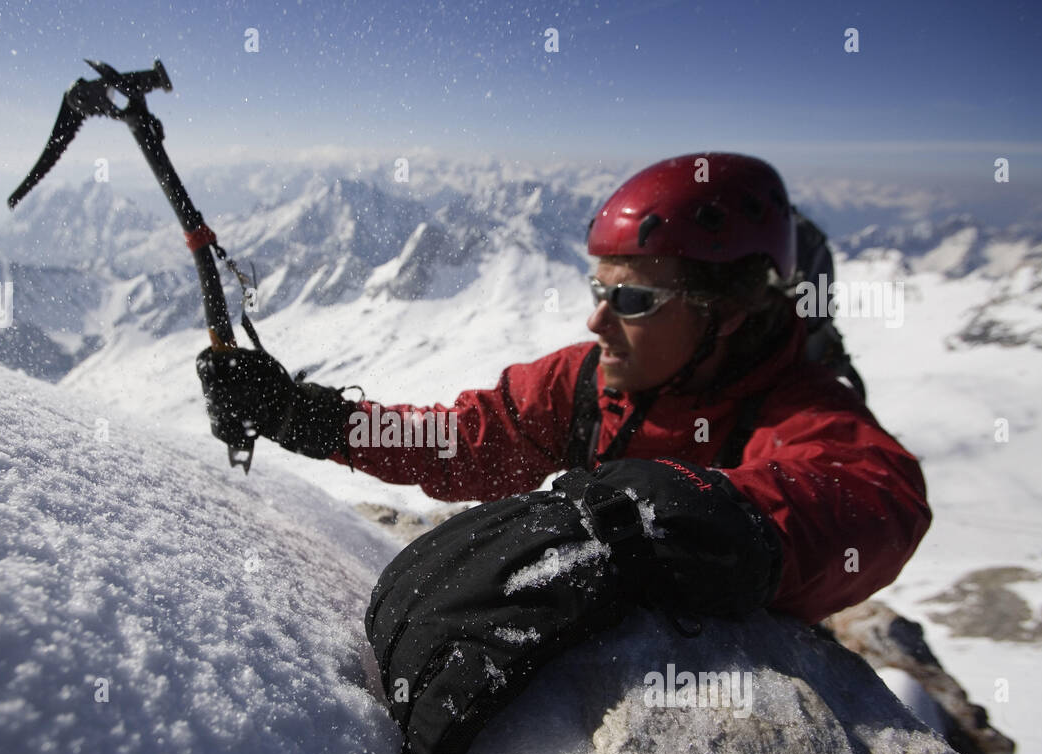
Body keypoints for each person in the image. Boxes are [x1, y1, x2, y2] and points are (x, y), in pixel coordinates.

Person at [197, 152, 932, 628]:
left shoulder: (792, 406)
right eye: (598, 289)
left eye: (635, 299)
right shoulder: (587, 382)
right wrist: (308, 418)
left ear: (728, 311)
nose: (597, 319)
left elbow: (877, 498)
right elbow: (461, 443)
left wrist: (720, 520)